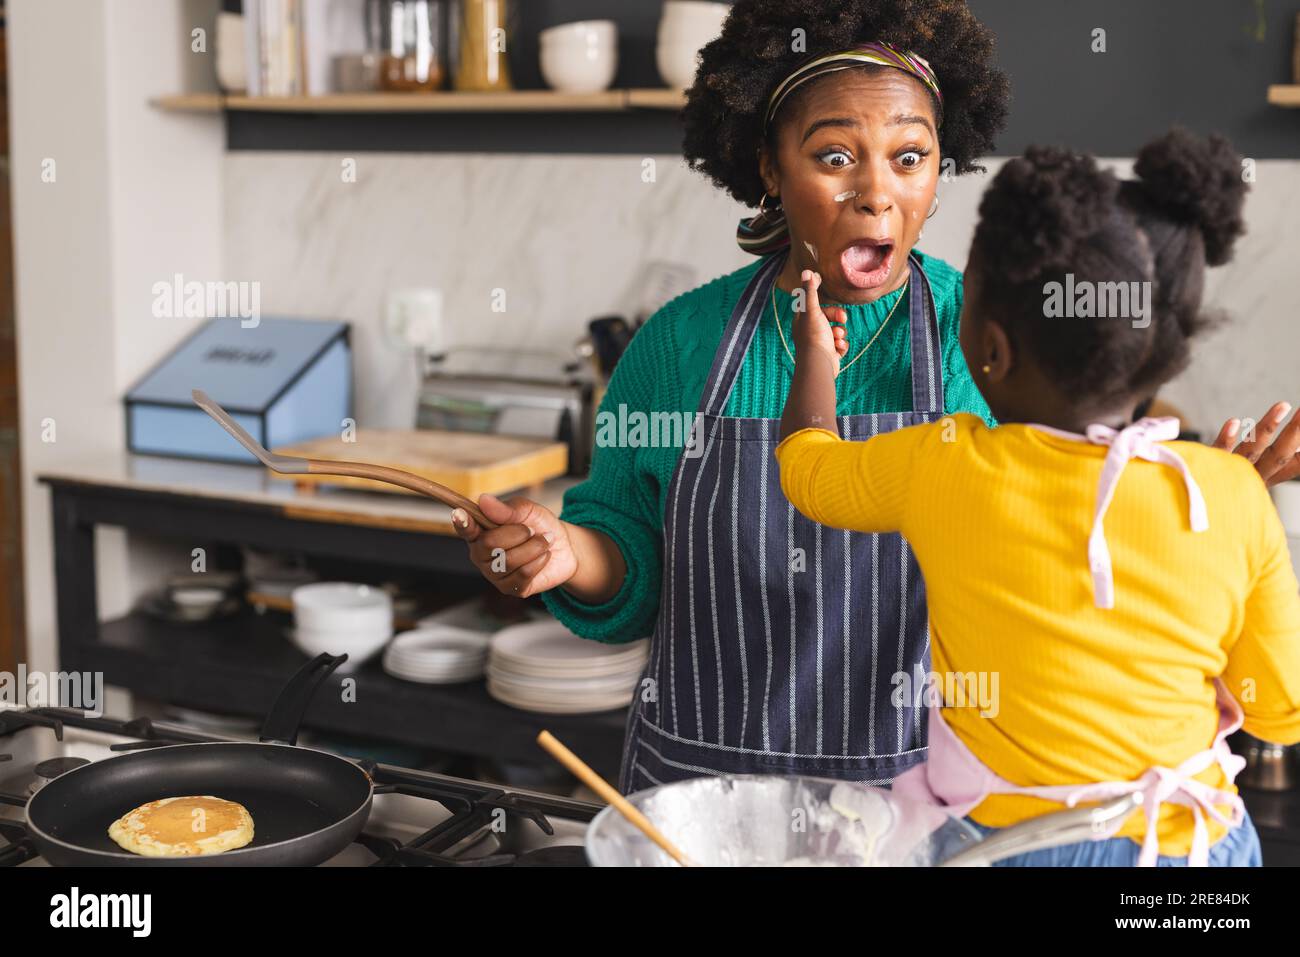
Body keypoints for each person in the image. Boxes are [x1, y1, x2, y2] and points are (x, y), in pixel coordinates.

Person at [451, 0, 1299, 795]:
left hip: (915, 804)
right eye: (833, 156)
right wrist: (565, 555)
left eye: (909, 156)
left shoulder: (994, 344)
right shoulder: (678, 343)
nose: (876, 191)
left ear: (939, 167)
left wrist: (1202, 505)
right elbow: (628, 554)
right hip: (701, 802)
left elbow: (1079, 538)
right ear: (768, 169)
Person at [775, 130, 1300, 866]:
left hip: (1011, 850)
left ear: (991, 347)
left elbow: (807, 469)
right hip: (1193, 851)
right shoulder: (1230, 492)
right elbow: (1281, 709)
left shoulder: (944, 464)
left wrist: (815, 362)